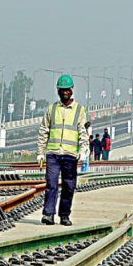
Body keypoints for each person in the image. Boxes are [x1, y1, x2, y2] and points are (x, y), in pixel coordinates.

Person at [37, 74, 89, 226]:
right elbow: (44, 131)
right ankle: (48, 214)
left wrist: (84, 151)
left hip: (70, 155)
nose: (65, 92)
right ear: (58, 90)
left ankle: (64, 215)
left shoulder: (79, 110)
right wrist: (40, 152)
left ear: (72, 89)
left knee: (68, 186)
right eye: (62, 90)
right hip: (53, 154)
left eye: (67, 90)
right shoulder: (51, 109)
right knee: (51, 184)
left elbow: (83, 133)